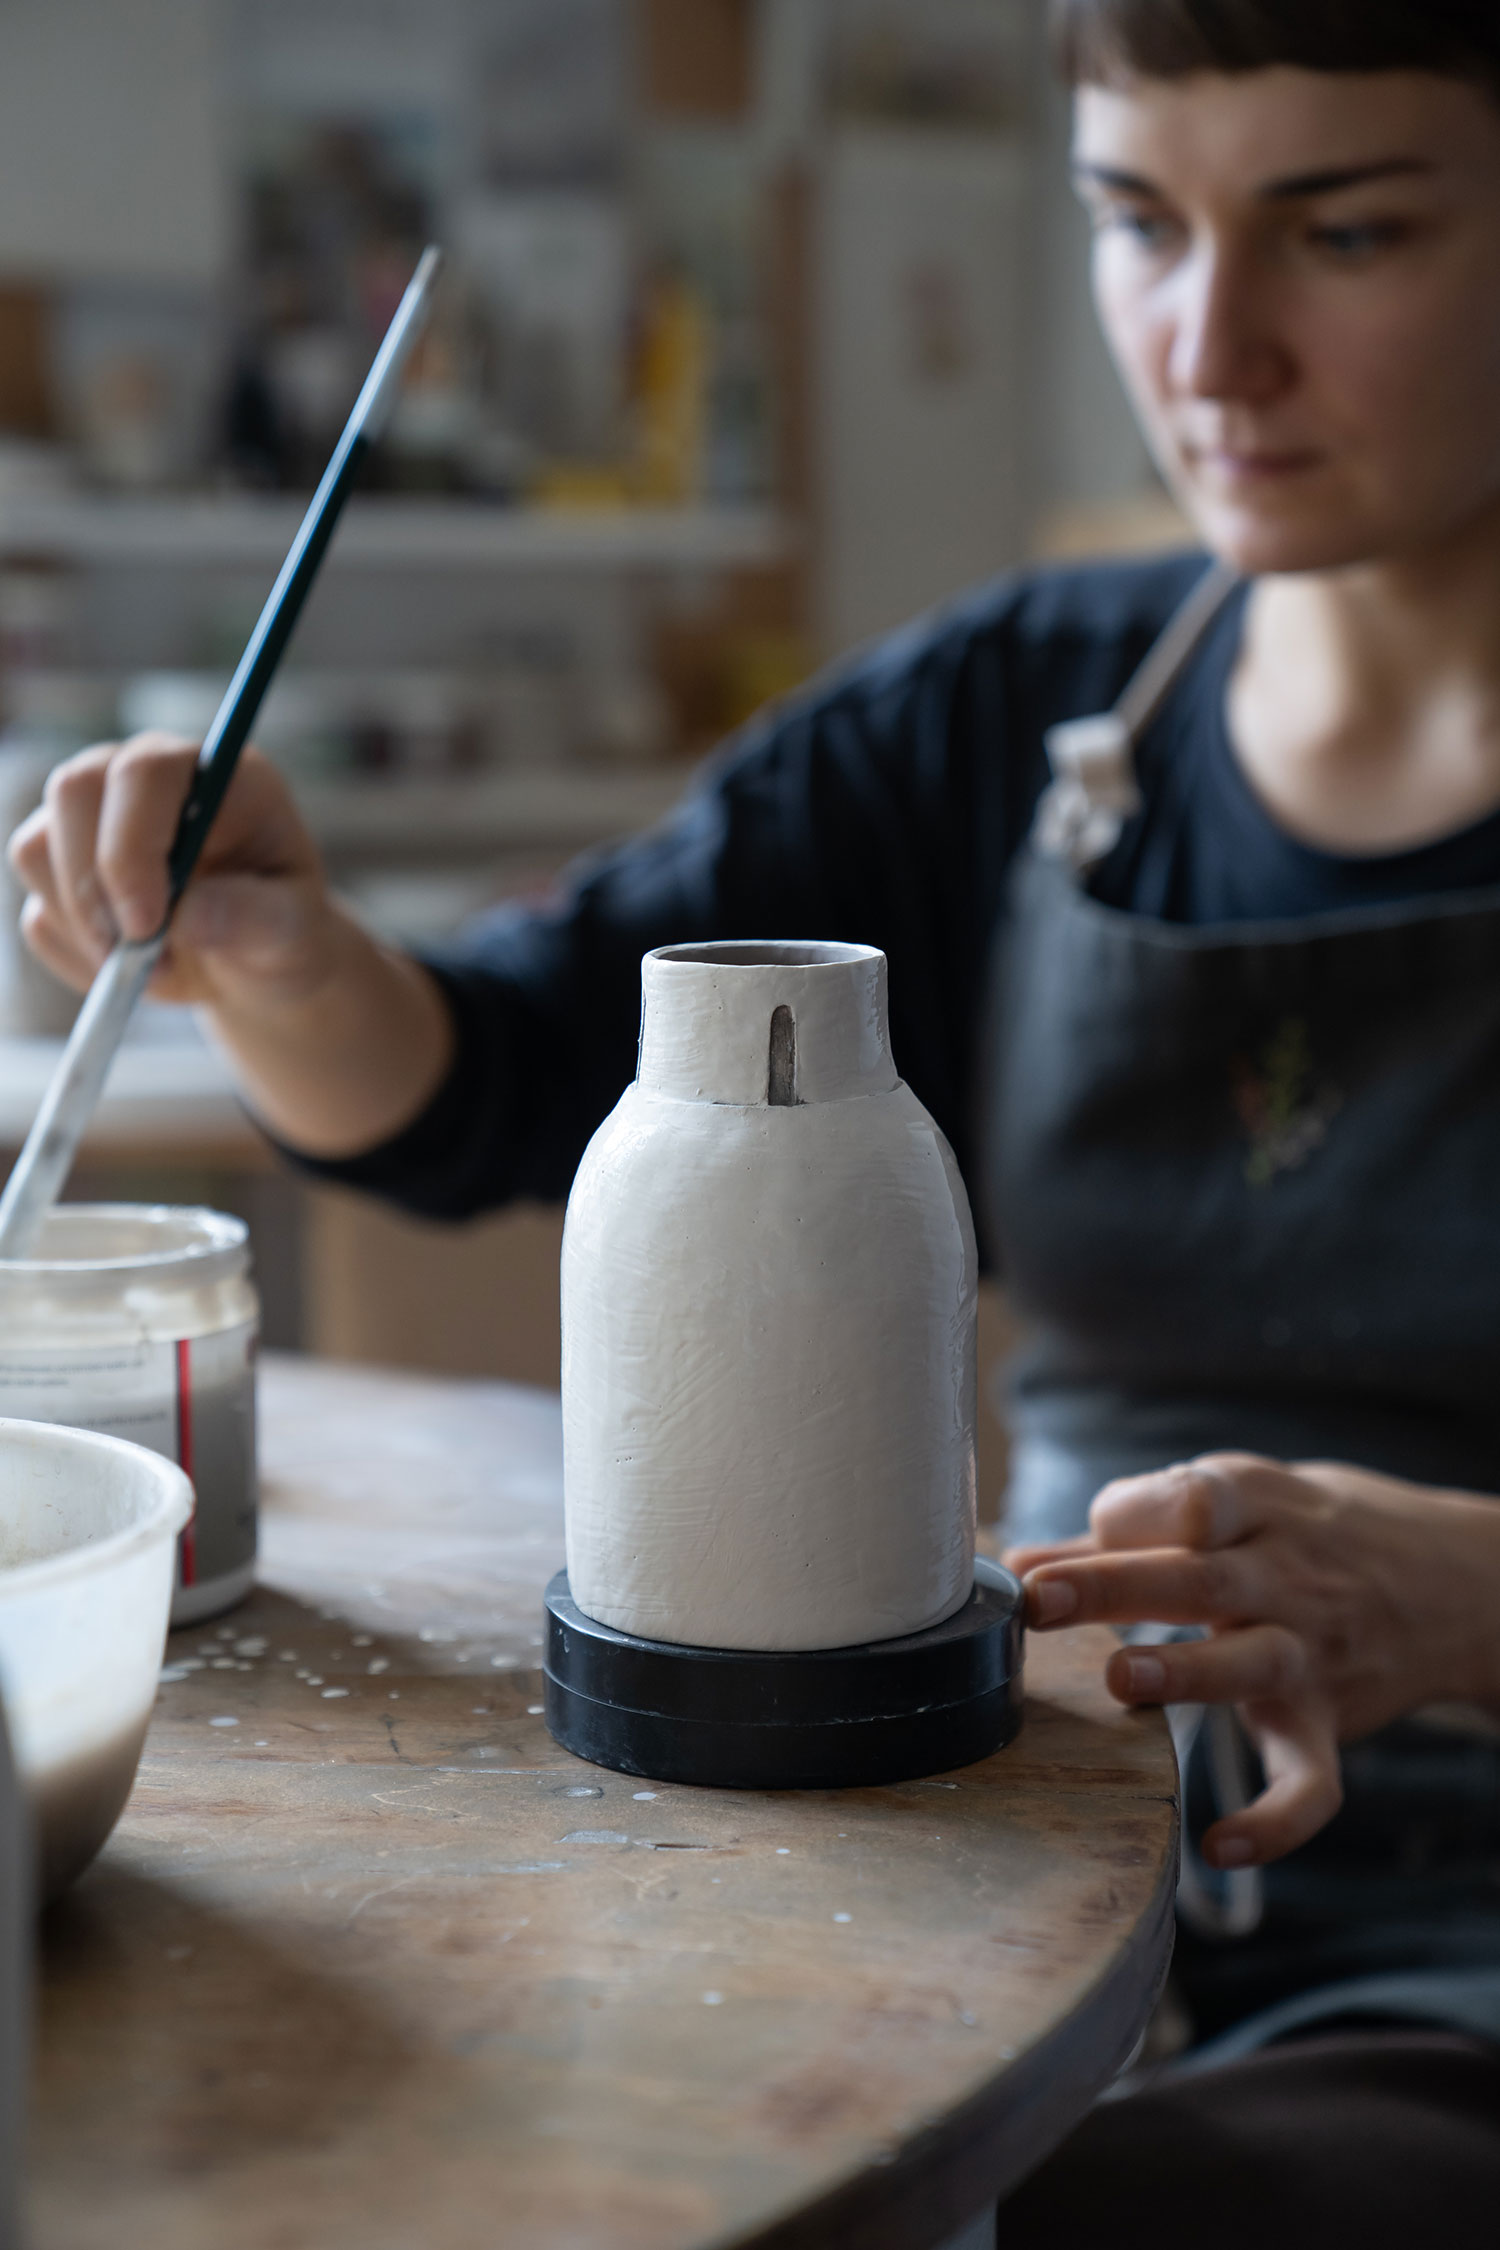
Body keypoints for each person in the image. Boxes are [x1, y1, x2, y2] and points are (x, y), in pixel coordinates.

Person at [11, 0, 1500, 2232]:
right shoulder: (1020, 712)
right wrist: (287, 957)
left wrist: (1463, 1601)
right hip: (1037, 1847)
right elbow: (500, 1071)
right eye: (1134, 222)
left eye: (1348, 232)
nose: (1208, 348)